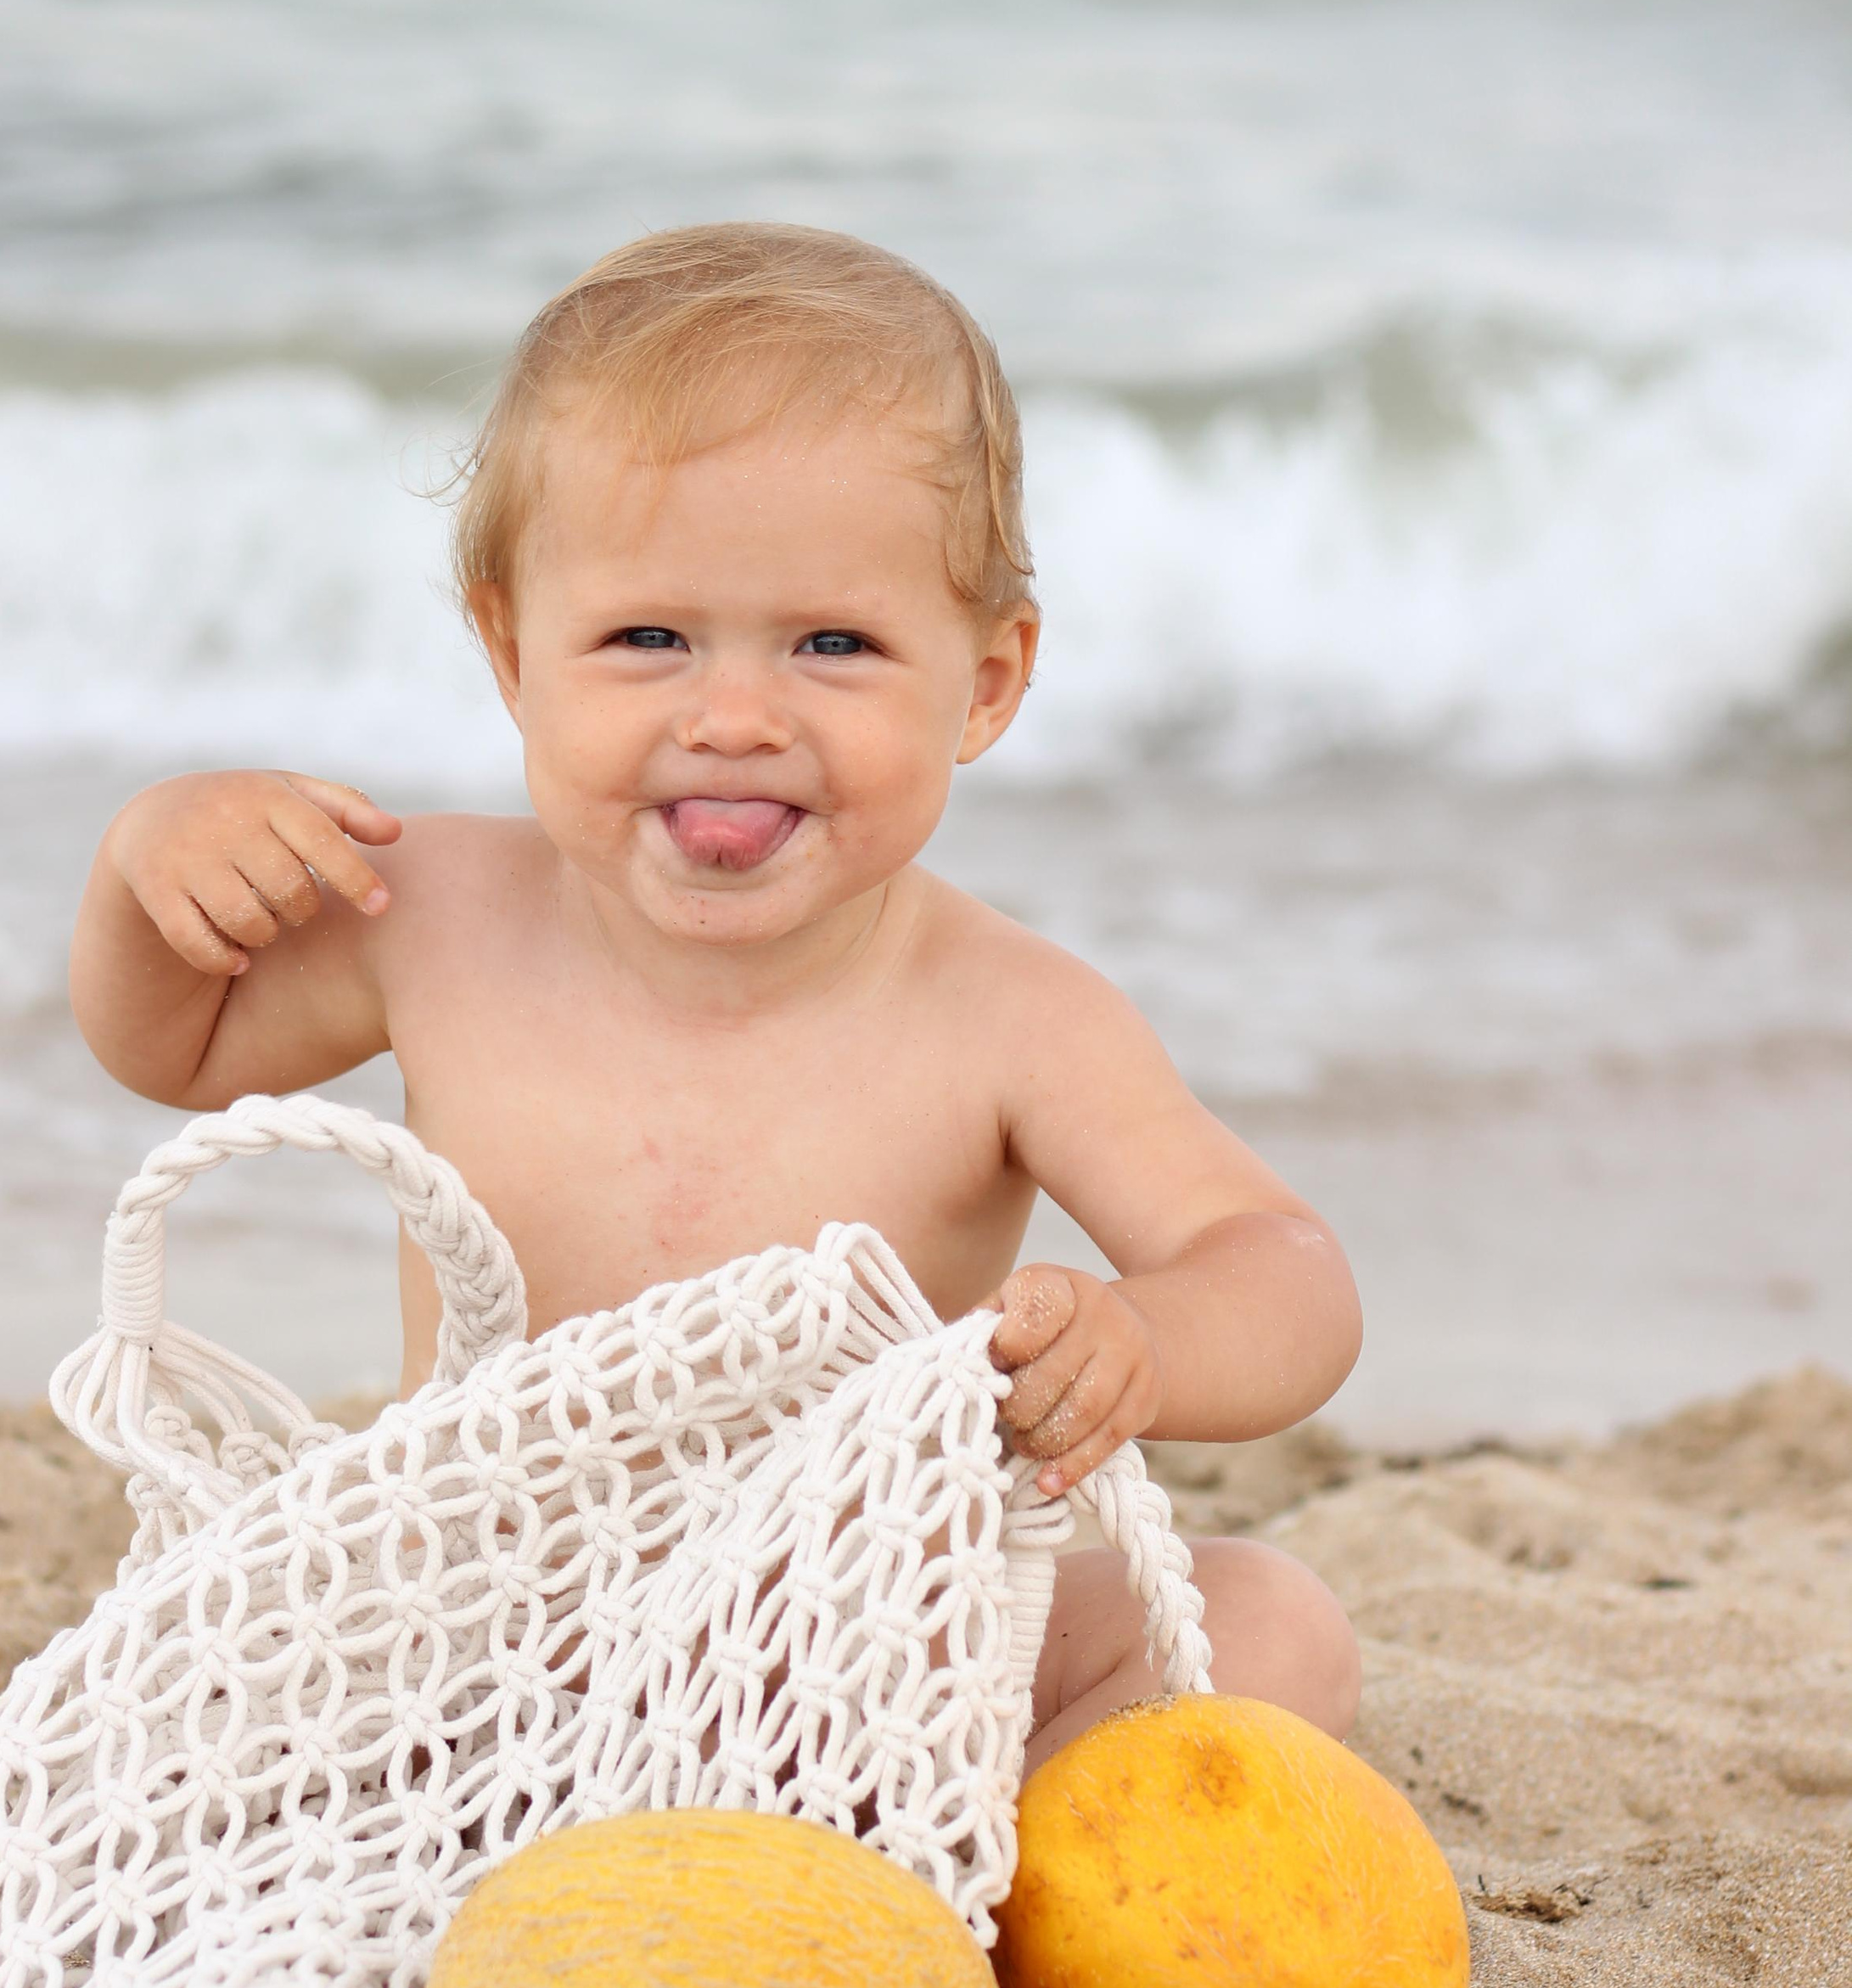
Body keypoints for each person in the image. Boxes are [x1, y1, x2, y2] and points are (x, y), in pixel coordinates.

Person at [70, 224, 1362, 1776]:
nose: (735, 717)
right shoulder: (429, 912)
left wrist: (1144, 1337)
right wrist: (151, 865)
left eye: (835, 644)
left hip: (851, 1664)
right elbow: (177, 1048)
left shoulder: (1010, 1015)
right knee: (203, 1675)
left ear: (991, 682)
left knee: (1274, 1627)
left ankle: (930, 1909)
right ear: (510, 650)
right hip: (477, 1661)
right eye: (647, 639)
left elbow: (1286, 1277)